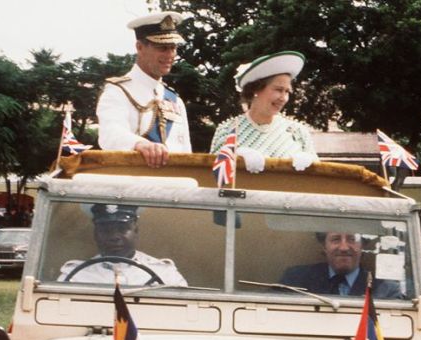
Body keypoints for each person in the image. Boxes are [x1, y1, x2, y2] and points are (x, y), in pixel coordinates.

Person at [96, 12, 192, 167]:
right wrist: (140, 144)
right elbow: (110, 134)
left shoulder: (175, 100)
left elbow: (186, 151)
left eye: (173, 48)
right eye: (162, 48)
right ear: (140, 47)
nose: (170, 55)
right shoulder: (117, 91)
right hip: (133, 185)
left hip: (175, 186)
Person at [210, 51, 318, 171]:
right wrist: (236, 160)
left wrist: (311, 164)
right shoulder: (228, 131)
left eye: (287, 91)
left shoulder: (297, 132)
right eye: (278, 89)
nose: (283, 98)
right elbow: (212, 180)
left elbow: (320, 180)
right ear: (256, 89)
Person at [58, 204, 187, 286]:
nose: (114, 237)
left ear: (136, 231)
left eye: (122, 229)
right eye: (106, 230)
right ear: (96, 234)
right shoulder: (75, 277)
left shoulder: (165, 273)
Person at [280, 231, 402, 299]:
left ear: (362, 246)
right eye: (336, 239)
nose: (343, 247)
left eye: (352, 239)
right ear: (324, 246)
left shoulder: (386, 291)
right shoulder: (295, 280)